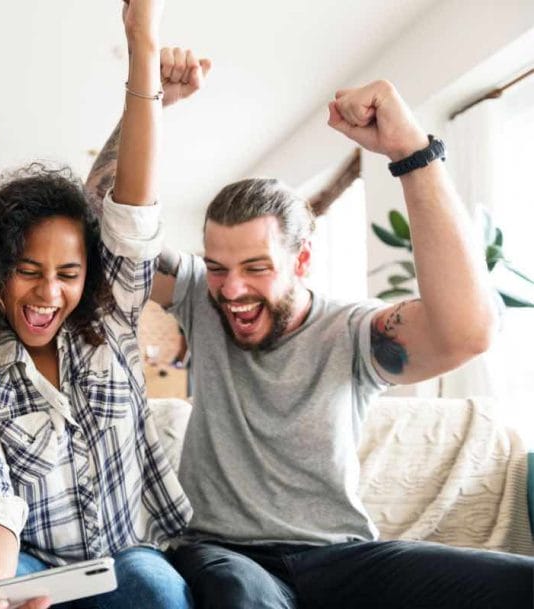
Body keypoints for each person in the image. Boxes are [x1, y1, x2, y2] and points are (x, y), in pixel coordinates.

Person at [86, 77, 534, 606]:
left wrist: (412, 152)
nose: (231, 290)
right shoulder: (196, 298)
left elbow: (469, 331)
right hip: (224, 551)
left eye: (256, 268)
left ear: (301, 261)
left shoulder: (354, 334)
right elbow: (101, 228)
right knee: (238, 594)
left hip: (342, 557)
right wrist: (148, 97)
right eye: (217, 268)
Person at [0, 2, 198, 608]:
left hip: (130, 553)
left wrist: (143, 45)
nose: (48, 293)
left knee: (153, 589)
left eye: (68, 274)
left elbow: (132, 212)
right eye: (27, 271)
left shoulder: (112, 318)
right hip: (32, 562)